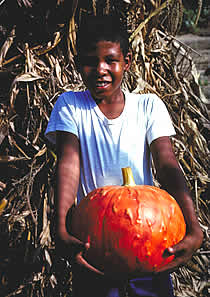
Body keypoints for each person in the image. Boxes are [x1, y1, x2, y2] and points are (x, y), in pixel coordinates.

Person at [45, 15, 203, 297]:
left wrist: (194, 228)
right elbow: (69, 164)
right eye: (91, 61)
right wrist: (61, 230)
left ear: (127, 62)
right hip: (96, 244)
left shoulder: (147, 106)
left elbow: (167, 164)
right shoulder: (70, 106)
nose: (100, 69)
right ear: (79, 63)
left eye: (110, 60)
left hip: (147, 239)